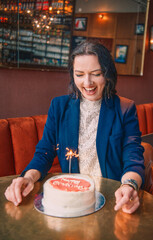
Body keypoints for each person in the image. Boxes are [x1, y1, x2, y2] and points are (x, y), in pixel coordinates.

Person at [4, 40, 145, 214]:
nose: (87, 83)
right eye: (79, 74)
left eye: (96, 73)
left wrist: (129, 185)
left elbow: (133, 156)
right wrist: (27, 177)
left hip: (114, 198)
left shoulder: (124, 109)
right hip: (73, 200)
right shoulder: (59, 106)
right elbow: (45, 152)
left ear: (107, 74)